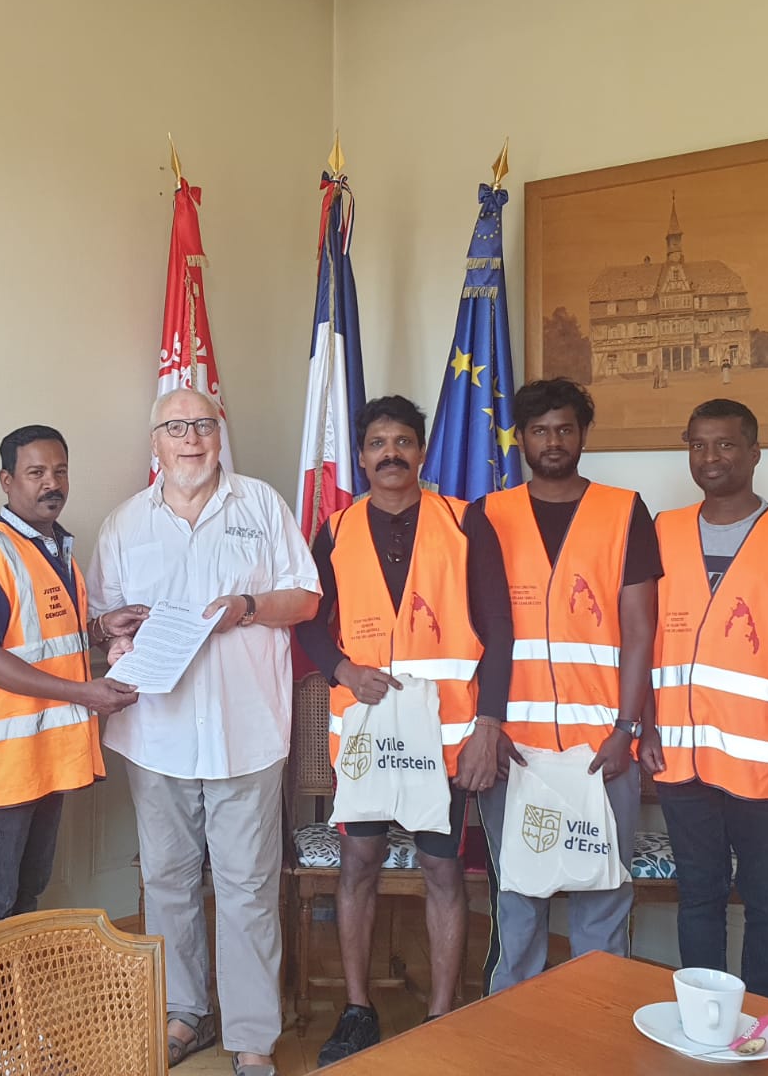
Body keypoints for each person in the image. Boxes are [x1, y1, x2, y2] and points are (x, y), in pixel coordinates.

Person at [88, 388, 319, 1076]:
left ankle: (252, 1036)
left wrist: (247, 606)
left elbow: (306, 597)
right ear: (154, 443)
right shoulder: (125, 523)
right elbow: (101, 619)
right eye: (175, 427)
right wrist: (112, 633)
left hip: (246, 732)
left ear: (220, 435)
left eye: (202, 425)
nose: (190, 438)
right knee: (168, 880)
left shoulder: (261, 505)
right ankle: (184, 1014)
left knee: (248, 888)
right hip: (155, 735)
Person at [293, 395, 511, 1065]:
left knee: (443, 869)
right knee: (358, 863)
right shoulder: (335, 530)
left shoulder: (466, 522)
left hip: (444, 738)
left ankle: (442, 1014)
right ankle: (358, 1010)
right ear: (361, 458)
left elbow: (500, 629)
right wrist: (342, 669)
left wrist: (489, 723)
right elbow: (307, 619)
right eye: (377, 443)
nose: (390, 453)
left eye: (403, 442)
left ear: (422, 451)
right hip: (366, 734)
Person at [641, 399, 768, 1003]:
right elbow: (645, 638)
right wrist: (646, 728)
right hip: (682, 761)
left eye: (727, 444)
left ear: (755, 453)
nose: (711, 457)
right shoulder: (663, 531)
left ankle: (764, 1023)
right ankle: (704, 1020)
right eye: (699, 445)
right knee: (699, 896)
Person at [464, 378, 660, 993]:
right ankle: (514, 1028)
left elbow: (640, 629)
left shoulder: (624, 510)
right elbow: (469, 632)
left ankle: (594, 1028)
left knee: (602, 897)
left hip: (600, 747)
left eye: (565, 429)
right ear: (520, 439)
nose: (553, 442)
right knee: (519, 898)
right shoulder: (487, 514)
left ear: (583, 435)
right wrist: (486, 730)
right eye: (540, 430)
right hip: (513, 747)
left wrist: (626, 729)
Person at [0, 425, 145, 939]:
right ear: (7, 481)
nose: (51, 483)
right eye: (36, 473)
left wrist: (101, 628)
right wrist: (85, 694)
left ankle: (14, 992)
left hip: (47, 759)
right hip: (5, 765)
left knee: (27, 891)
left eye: (59, 471)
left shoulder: (56, 551)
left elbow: (45, 640)